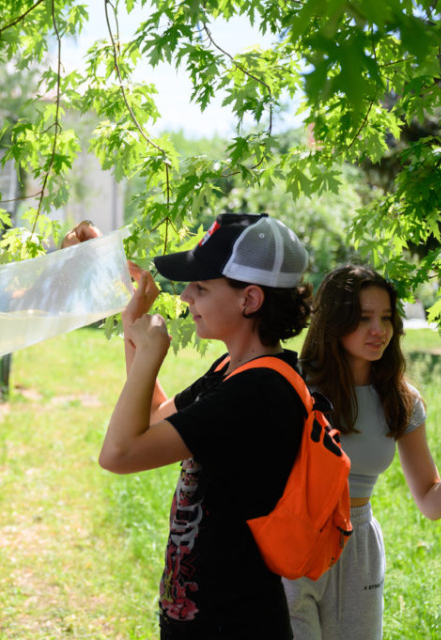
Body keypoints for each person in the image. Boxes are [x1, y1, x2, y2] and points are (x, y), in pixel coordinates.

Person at [100, 213, 313, 639]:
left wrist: (150, 355)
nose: (185, 298)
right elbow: (152, 420)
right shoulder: (233, 371)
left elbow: (119, 454)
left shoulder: (259, 391)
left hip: (233, 624)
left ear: (249, 300)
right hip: (208, 618)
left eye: (201, 287)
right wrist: (132, 333)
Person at [283, 264, 441, 640]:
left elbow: (430, 500)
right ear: (335, 320)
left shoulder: (401, 401)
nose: (379, 330)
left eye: (386, 318)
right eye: (364, 318)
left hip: (357, 547)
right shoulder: (292, 384)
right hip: (293, 541)